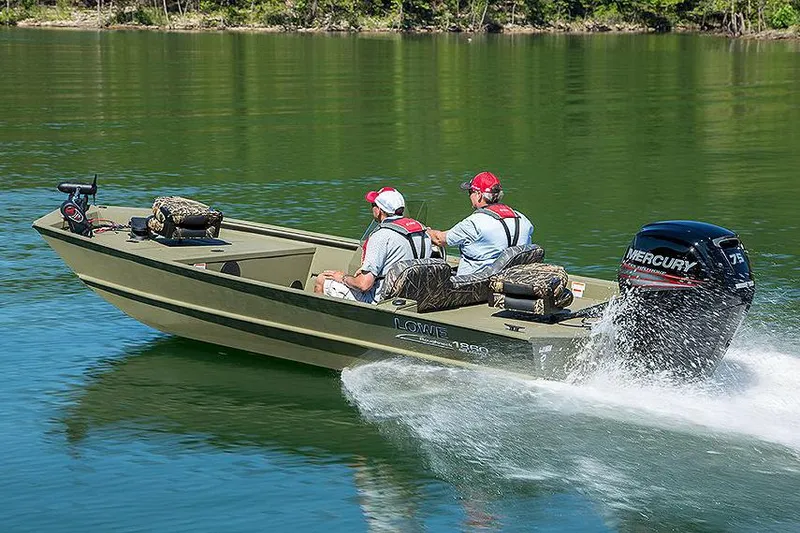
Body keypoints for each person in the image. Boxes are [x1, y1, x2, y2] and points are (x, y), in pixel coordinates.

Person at [314, 186, 432, 303]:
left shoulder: (381, 236)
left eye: (373, 205)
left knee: (322, 280)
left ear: (379, 210)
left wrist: (343, 277)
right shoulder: (422, 231)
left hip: (382, 301)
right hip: (414, 296)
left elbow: (364, 285)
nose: (372, 209)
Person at [427, 171, 533, 276]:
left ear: (479, 195)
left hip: (473, 286)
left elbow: (439, 239)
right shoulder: (523, 219)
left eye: (470, 192)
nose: (469, 197)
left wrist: (425, 230)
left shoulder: (474, 223)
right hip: (512, 280)